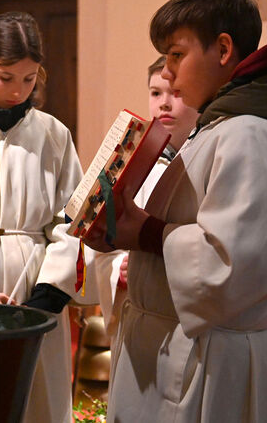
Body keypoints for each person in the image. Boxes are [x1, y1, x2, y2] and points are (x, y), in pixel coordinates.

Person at [83, 0, 267, 422]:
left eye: (176, 55)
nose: (167, 73)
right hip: (180, 346)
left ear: (222, 49)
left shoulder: (250, 135)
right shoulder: (223, 126)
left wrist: (145, 233)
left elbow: (231, 266)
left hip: (210, 366)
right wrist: (119, 226)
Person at [0, 11, 87, 423]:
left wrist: (48, 293)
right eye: (6, 77)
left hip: (36, 284)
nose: (18, 90)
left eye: (29, 78)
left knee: (38, 400)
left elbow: (71, 218)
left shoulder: (53, 134)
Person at [92, 55, 198, 341]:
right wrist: (118, 270)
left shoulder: (204, 158)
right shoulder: (129, 160)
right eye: (155, 93)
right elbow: (103, 241)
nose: (164, 103)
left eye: (175, 93)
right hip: (138, 307)